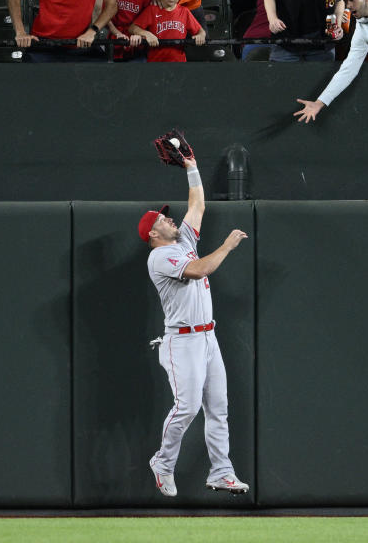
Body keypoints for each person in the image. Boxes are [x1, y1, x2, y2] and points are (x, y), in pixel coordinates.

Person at [140, 156, 250, 498]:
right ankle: (163, 462)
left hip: (207, 337)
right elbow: (201, 270)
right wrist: (227, 246)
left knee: (218, 408)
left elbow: (197, 204)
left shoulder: (183, 242)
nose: (171, 218)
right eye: (163, 218)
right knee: (187, 407)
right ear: (154, 233)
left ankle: (222, 471)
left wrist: (191, 165)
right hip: (182, 342)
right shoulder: (160, 257)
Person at [131, 0, 208, 61]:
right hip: (155, 64)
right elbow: (133, 28)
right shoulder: (152, 10)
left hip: (179, 64)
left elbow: (201, 32)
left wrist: (200, 36)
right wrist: (146, 34)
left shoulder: (184, 12)